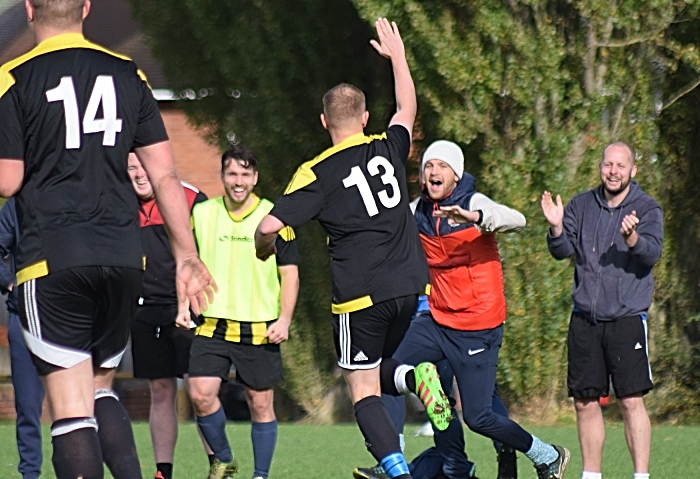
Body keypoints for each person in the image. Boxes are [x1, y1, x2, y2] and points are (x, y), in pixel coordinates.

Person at [0, 1, 217, 478]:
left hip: (53, 256)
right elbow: (164, 174)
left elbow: (8, 179)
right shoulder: (128, 74)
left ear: (31, 10)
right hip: (123, 257)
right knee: (100, 390)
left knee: (71, 406)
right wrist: (187, 255)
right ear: (86, 8)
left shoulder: (13, 78)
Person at [255, 19, 451, 479]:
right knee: (379, 369)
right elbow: (406, 107)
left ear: (324, 122)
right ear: (364, 119)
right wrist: (398, 58)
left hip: (359, 295)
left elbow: (269, 224)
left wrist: (264, 247)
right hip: (409, 284)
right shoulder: (386, 146)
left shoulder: (315, 171)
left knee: (359, 387)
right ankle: (417, 379)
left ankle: (398, 472)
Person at [355, 140, 570, 479]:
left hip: (478, 324)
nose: (433, 171)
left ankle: (546, 455)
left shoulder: (473, 202)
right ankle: (403, 447)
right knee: (374, 371)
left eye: (441, 166)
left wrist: (476, 218)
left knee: (479, 416)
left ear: (455, 174)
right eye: (428, 166)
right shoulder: (417, 211)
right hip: (438, 320)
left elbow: (517, 219)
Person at [541, 142, 663, 479]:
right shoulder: (581, 205)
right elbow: (562, 250)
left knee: (630, 400)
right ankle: (591, 475)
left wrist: (633, 238)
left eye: (620, 166)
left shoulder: (647, 208)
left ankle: (641, 475)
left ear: (633, 170)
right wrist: (555, 226)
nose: (613, 171)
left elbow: (652, 254)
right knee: (585, 402)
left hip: (626, 318)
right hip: (584, 319)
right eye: (608, 164)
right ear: (600, 167)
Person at [188, 145, 300, 479]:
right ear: (222, 176)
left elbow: (290, 273)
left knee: (260, 402)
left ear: (255, 178)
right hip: (212, 322)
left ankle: (260, 475)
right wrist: (184, 304)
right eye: (232, 174)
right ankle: (223, 460)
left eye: (245, 174)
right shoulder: (203, 214)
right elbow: (186, 265)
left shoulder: (275, 218)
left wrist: (285, 319)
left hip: (260, 326)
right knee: (199, 394)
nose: (238, 181)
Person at [127, 153, 212, 479]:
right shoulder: (121, 204)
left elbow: (208, 250)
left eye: (142, 165)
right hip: (144, 311)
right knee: (160, 391)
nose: (138, 173)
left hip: (190, 307)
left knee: (200, 390)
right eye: (131, 167)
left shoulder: (189, 198)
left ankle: (217, 466)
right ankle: (163, 471)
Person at [0, 198, 45, 479]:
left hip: (70, 320)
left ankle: (79, 467)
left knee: (81, 404)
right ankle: (30, 474)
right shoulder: (16, 206)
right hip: (24, 319)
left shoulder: (75, 194)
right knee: (27, 406)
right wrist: (9, 282)